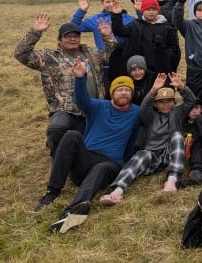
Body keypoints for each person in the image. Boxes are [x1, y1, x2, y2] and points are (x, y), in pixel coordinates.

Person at [35, 61, 141, 233]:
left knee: (101, 168)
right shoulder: (98, 106)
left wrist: (126, 163)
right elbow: (81, 99)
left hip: (109, 163)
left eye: (127, 90)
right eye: (119, 89)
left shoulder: (136, 112)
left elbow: (132, 137)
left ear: (132, 93)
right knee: (72, 135)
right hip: (86, 159)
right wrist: (80, 78)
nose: (123, 92)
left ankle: (73, 213)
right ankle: (52, 191)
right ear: (112, 92)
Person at [15, 14, 115, 157]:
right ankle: (58, 157)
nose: (73, 39)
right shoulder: (49, 57)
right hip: (66, 109)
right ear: (60, 40)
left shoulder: (92, 53)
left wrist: (107, 36)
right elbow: (21, 54)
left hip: (93, 108)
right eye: (68, 36)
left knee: (90, 146)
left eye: (76, 36)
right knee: (56, 129)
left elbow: (111, 56)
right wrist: (35, 32)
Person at [99, 72, 195, 205]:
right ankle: (117, 191)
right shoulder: (151, 117)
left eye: (169, 101)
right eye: (161, 102)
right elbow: (144, 107)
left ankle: (172, 180)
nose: (165, 105)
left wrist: (181, 87)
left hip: (170, 156)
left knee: (178, 136)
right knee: (141, 154)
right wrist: (153, 90)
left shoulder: (178, 114)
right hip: (152, 158)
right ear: (155, 104)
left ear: (174, 102)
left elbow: (191, 100)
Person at [70, 0, 135, 84]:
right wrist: (81, 10)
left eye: (114, 1)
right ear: (102, 3)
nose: (111, 4)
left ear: (119, 2)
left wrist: (139, 12)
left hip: (125, 60)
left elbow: (141, 28)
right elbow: (74, 27)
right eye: (107, 2)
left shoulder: (128, 18)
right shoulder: (96, 19)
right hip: (105, 61)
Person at [111, 0, 181, 76]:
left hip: (161, 70)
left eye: (154, 10)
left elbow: (175, 50)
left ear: (158, 11)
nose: (151, 12)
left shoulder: (167, 28)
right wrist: (117, 15)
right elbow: (120, 32)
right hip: (140, 70)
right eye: (148, 10)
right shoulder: (136, 25)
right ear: (143, 11)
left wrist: (163, 52)